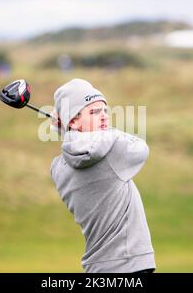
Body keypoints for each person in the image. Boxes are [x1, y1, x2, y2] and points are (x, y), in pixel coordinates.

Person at [50, 78, 156, 273]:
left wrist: (66, 127)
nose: (105, 117)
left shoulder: (57, 168)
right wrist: (104, 131)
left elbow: (75, 146)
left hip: (96, 269)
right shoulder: (113, 154)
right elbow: (141, 148)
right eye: (94, 112)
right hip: (129, 263)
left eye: (105, 111)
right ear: (73, 120)